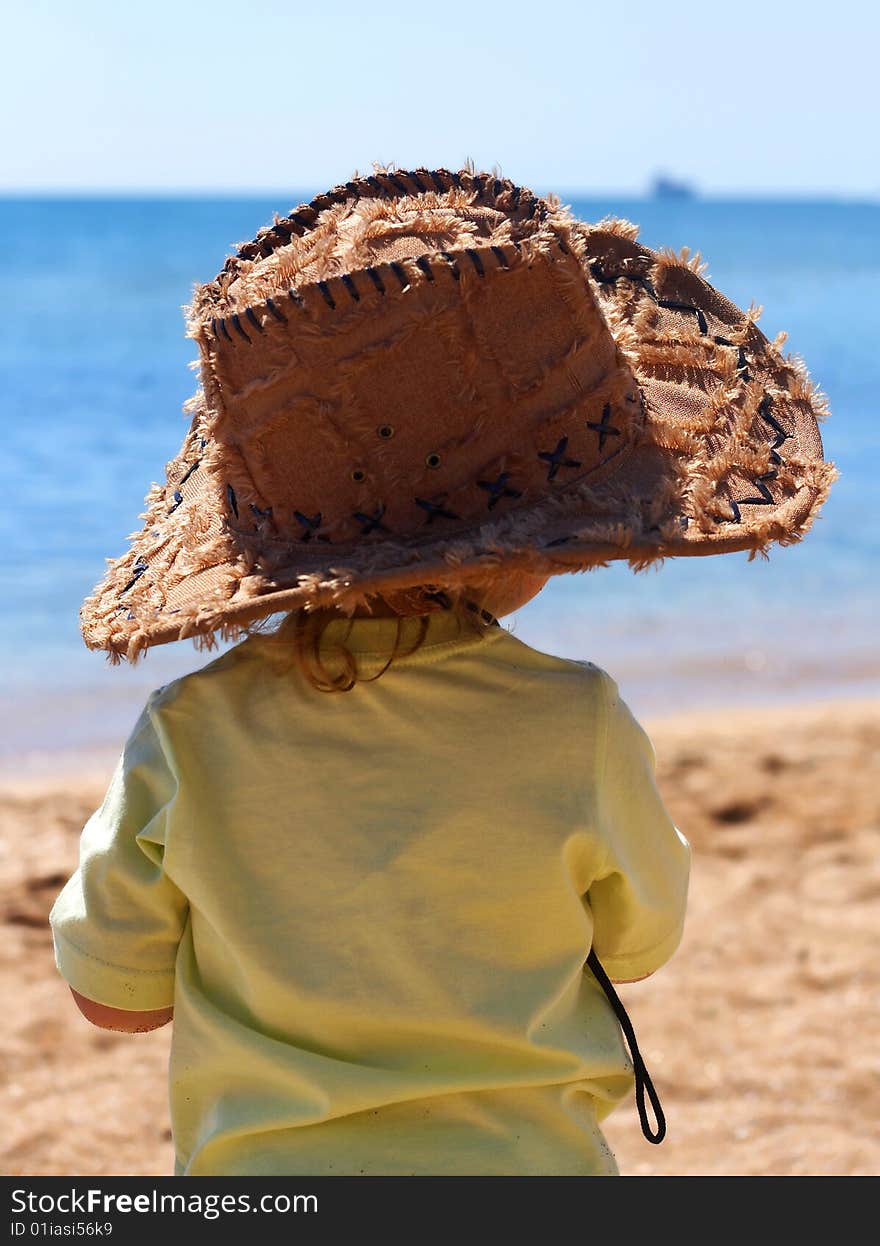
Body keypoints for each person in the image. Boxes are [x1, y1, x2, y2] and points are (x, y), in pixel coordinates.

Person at [49, 165, 835, 1177]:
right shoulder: (577, 720)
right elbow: (639, 942)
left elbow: (113, 997)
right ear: (540, 539)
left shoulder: (189, 731)